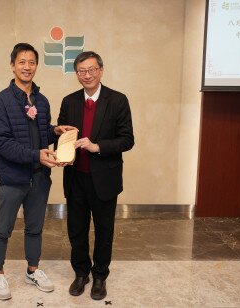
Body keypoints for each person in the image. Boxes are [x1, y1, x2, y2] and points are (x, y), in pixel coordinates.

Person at [0, 43, 74, 300]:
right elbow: (3, 144)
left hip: (39, 177)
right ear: (12, 65)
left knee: (35, 228)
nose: (27, 67)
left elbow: (39, 134)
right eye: (22, 62)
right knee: (3, 229)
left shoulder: (42, 100)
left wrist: (55, 131)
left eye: (32, 62)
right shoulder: (0, 101)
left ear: (37, 65)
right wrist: (36, 154)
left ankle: (32, 269)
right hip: (12, 178)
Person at [57, 51, 134, 300]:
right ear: (76, 74)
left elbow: (127, 140)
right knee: (76, 230)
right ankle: (81, 273)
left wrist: (97, 146)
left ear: (100, 70)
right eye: (81, 71)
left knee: (104, 231)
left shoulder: (118, 100)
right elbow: (62, 135)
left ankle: (100, 276)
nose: (87, 75)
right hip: (75, 177)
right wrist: (59, 135)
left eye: (91, 70)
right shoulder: (69, 101)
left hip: (104, 179)